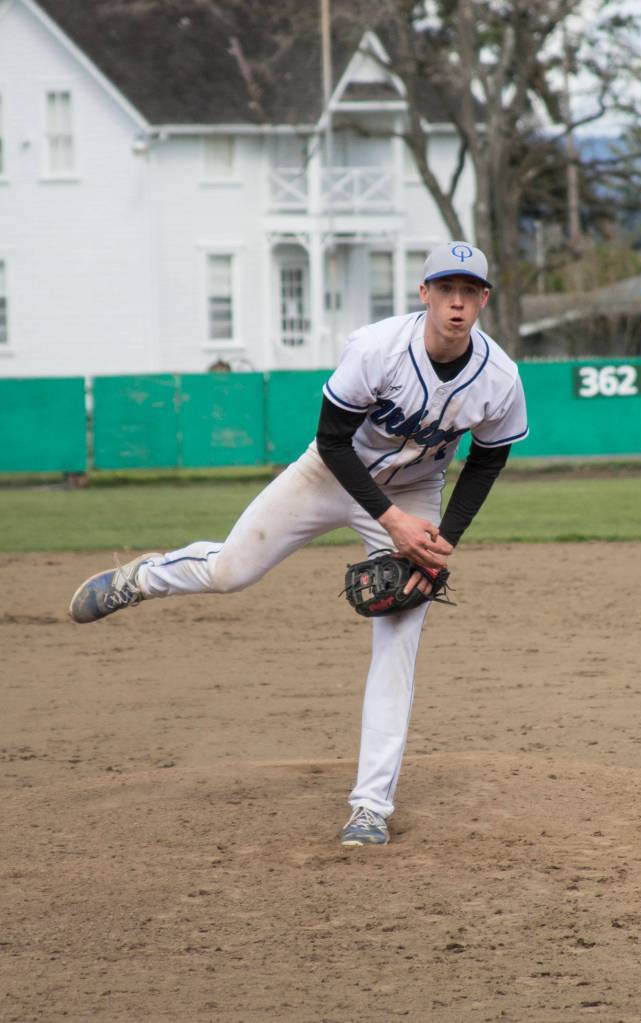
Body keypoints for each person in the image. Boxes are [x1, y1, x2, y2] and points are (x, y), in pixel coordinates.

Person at [69, 240, 529, 845]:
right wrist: (390, 521)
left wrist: (440, 543)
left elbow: (488, 462)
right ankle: (145, 578)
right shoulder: (377, 350)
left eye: (469, 292)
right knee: (232, 570)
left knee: (398, 642)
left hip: (414, 494)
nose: (457, 303)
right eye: (446, 289)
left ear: (483, 300)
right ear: (425, 295)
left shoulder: (498, 377)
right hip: (329, 475)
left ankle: (370, 806)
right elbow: (333, 443)